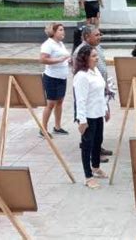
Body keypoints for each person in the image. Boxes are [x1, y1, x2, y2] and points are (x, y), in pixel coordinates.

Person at [72, 25, 112, 161]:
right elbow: (79, 75)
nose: (99, 37)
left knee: (98, 126)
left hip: (99, 89)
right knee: (90, 127)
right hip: (89, 92)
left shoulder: (97, 48)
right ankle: (91, 152)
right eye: (96, 35)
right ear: (87, 36)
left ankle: (97, 148)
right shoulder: (81, 51)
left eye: (100, 34)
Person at [73, 45, 109, 189]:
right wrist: (82, 121)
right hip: (88, 115)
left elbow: (101, 93)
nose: (96, 58)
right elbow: (80, 100)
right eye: (93, 56)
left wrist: (105, 109)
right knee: (87, 145)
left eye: (96, 55)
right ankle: (88, 176)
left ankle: (95, 167)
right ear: (85, 58)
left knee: (98, 141)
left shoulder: (95, 72)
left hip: (98, 112)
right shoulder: (81, 76)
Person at [39, 23, 70, 138]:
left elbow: (64, 57)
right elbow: (42, 59)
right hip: (51, 78)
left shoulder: (60, 44)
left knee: (60, 102)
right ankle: (43, 128)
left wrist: (68, 60)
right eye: (61, 30)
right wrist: (59, 60)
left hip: (62, 77)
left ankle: (57, 127)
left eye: (63, 30)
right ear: (54, 32)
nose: (63, 32)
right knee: (50, 104)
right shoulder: (48, 44)